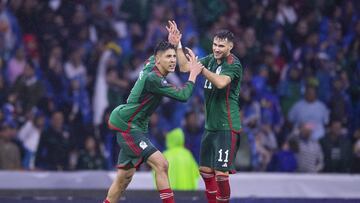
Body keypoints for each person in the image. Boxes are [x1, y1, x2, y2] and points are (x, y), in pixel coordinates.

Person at [103, 41, 204, 203]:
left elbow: (158, 52)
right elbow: (183, 96)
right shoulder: (154, 78)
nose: (172, 60)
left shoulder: (151, 64)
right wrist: (193, 74)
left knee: (123, 179)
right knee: (161, 164)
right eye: (168, 57)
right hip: (129, 127)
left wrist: (174, 42)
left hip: (134, 126)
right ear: (158, 60)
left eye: (173, 57)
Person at [167, 21, 242, 203]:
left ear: (230, 47)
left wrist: (201, 70)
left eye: (221, 46)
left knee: (221, 174)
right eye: (215, 44)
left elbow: (221, 82)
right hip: (211, 126)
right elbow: (185, 67)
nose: (216, 49)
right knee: (205, 171)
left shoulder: (233, 64)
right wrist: (177, 45)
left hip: (226, 125)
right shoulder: (209, 59)